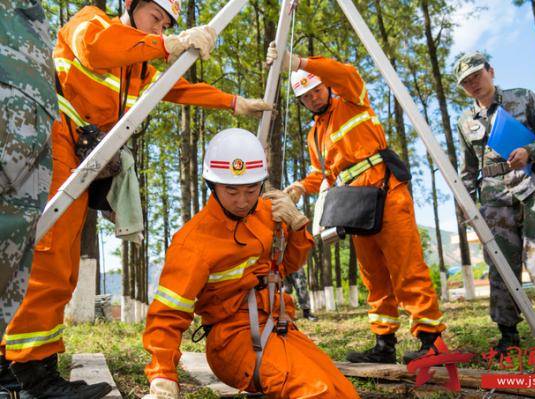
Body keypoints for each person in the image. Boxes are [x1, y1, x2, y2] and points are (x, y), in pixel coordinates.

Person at [2, 0, 271, 396]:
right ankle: (33, 375)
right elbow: (99, 49)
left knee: (60, 261)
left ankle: (15, 366)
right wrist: (170, 44)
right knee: (50, 255)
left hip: (80, 151)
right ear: (131, 7)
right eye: (155, 18)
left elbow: (177, 88)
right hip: (54, 136)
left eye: (166, 25)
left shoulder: (139, 67)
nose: (159, 29)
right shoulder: (90, 23)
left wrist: (232, 102)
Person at [142, 128, 359, 399]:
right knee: (316, 391)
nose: (242, 201)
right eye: (231, 191)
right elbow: (167, 316)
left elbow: (289, 265)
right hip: (233, 341)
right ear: (212, 185)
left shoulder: (269, 213)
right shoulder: (193, 241)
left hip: (280, 328)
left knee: (343, 392)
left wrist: (297, 223)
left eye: (251, 189)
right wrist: (163, 377)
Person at [266, 43, 445, 364]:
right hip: (356, 203)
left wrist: (298, 62)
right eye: (305, 97)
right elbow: (321, 173)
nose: (313, 99)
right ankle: (384, 343)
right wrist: (298, 187)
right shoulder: (314, 135)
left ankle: (430, 339)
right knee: (373, 275)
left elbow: (345, 72)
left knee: (407, 267)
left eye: (316, 91)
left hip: (387, 193)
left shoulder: (351, 99)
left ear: (325, 86)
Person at [454, 51, 535, 354]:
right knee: (500, 266)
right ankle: (508, 334)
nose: (474, 84)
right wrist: (467, 207)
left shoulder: (523, 97)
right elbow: (467, 168)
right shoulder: (465, 121)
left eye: (477, 76)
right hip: (493, 198)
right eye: (466, 82)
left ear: (491, 72)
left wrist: (531, 149)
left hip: (532, 186)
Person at [0, 0, 58, 391]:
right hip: (11, 128)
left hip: (33, 140)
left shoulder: (34, 18)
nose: (158, 30)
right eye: (154, 18)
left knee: (12, 266)